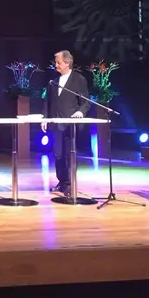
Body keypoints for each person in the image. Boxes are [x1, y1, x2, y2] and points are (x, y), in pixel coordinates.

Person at [41, 50, 90, 196]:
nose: (56, 65)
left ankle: (69, 184)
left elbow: (85, 102)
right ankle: (62, 181)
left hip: (70, 126)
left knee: (69, 155)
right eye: (55, 62)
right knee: (58, 155)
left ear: (67, 63)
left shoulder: (79, 79)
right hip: (56, 124)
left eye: (59, 62)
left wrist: (80, 112)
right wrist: (45, 118)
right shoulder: (53, 82)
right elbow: (47, 102)